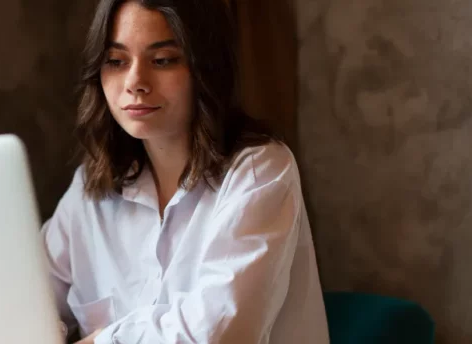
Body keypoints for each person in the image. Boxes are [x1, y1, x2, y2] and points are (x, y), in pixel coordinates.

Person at [41, 0, 330, 343]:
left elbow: (220, 332)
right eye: (116, 61)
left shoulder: (260, 171)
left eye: (162, 60)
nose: (135, 82)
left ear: (205, 67)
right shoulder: (90, 191)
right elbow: (23, 299)